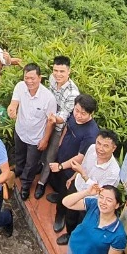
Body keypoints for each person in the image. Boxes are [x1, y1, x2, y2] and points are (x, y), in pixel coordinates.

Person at [56, 128, 122, 245]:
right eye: (98, 143)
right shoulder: (92, 148)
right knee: (70, 214)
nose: (100, 148)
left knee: (82, 222)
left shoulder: (114, 172)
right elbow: (84, 165)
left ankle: (76, 241)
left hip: (90, 200)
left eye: (106, 146)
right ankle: (69, 234)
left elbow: (102, 192)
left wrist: (83, 174)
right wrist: (73, 177)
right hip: (77, 186)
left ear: (113, 148)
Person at [45, 94, 99, 228]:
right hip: (61, 157)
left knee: (66, 191)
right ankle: (58, 196)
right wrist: (60, 144)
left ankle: (60, 215)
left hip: (71, 168)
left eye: (83, 113)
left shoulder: (91, 133)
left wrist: (61, 166)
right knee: (58, 184)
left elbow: (80, 158)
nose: (78, 115)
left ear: (91, 113)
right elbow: (66, 128)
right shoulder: (73, 116)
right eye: (77, 110)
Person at [34, 56, 81, 199]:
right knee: (40, 146)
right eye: (55, 70)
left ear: (69, 71)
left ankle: (42, 182)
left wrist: (53, 119)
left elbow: (64, 117)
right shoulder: (52, 79)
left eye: (62, 71)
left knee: (51, 155)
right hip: (46, 119)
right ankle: (38, 166)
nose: (58, 74)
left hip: (59, 127)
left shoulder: (73, 93)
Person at [7, 63, 57, 196]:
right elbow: (14, 103)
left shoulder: (48, 98)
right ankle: (19, 170)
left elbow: (50, 122)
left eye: (32, 78)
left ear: (39, 78)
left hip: (36, 138)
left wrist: (45, 139)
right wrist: (11, 109)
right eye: (26, 78)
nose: (29, 81)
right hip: (20, 131)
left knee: (31, 164)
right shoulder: (20, 87)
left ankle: (25, 185)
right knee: (19, 155)